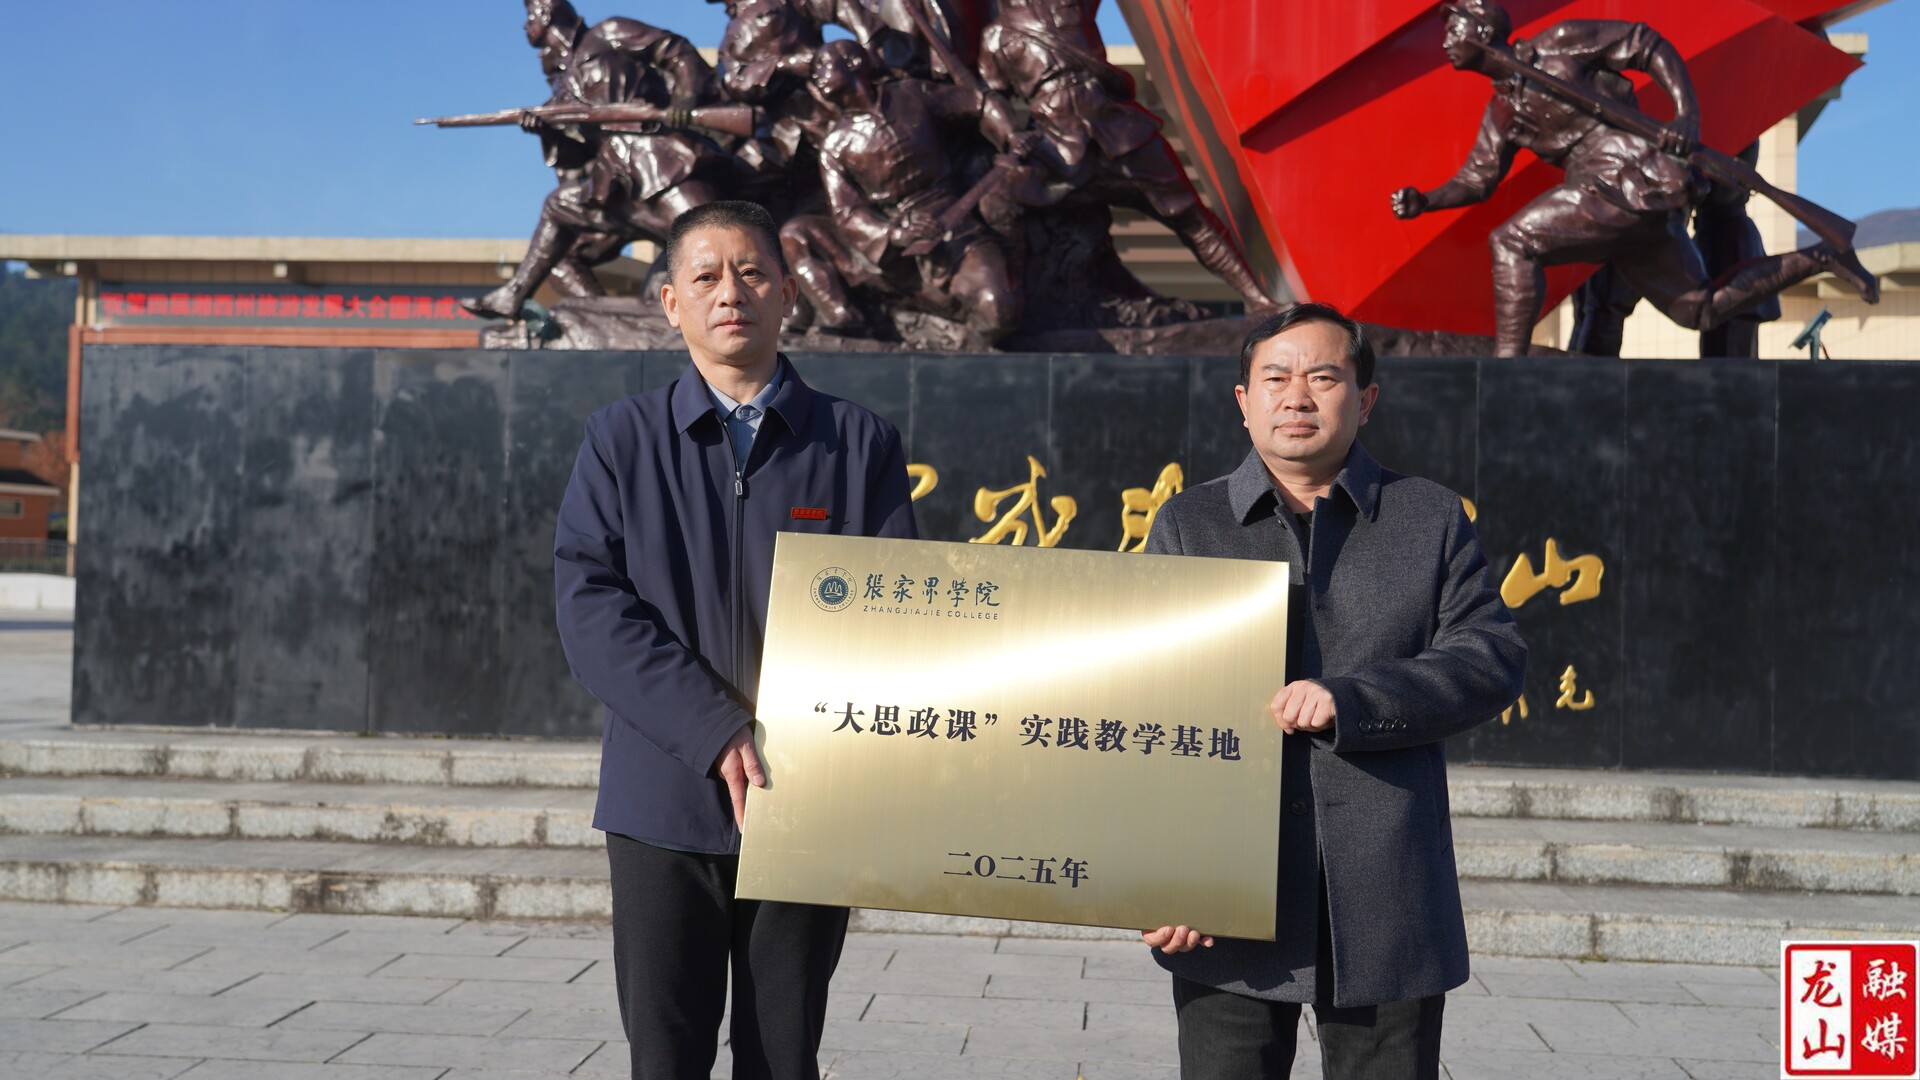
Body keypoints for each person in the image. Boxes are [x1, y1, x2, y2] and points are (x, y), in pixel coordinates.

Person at [553, 200, 918, 1079]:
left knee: (784, 1057)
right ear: (671, 303)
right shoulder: (621, 441)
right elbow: (590, 606)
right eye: (706, 276)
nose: (731, 292)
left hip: (807, 796)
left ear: (788, 293)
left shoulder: (858, 443)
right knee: (664, 1056)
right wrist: (716, 730)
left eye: (752, 272)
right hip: (661, 799)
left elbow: (899, 615)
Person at [1139, 301, 1527, 1079]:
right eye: (1275, 378)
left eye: (1322, 377)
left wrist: (1354, 699)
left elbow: (1489, 656)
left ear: (1366, 397)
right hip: (1226, 894)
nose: (1297, 397)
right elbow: (1143, 702)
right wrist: (1161, 873)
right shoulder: (1189, 523)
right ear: (1243, 400)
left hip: (1386, 889)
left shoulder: (1428, 517)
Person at [1389, 0, 1877, 357]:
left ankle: (1507, 375)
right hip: (1615, 202)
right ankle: (1819, 256)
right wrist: (1426, 200)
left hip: (1624, 176)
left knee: (1511, 242)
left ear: (1480, 29)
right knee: (1699, 308)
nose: (1446, 42)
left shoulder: (1558, 45)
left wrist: (1686, 114)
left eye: (1453, 28)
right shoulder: (1502, 111)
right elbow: (1477, 180)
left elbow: (1645, 44)